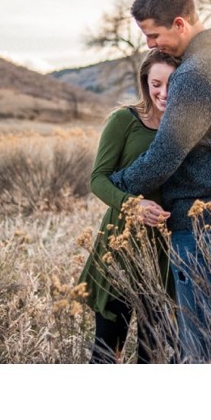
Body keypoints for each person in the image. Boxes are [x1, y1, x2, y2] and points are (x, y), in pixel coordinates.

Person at [110, 0, 211, 363]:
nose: (150, 46)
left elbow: (164, 155)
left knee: (202, 352)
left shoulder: (195, 73)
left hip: (206, 227)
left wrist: (116, 187)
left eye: (154, 35)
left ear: (179, 23)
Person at [78, 49, 180, 364]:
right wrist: (132, 205)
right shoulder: (124, 120)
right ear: (145, 83)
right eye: (156, 84)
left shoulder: (184, 128)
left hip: (165, 253)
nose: (164, 92)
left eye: (173, 83)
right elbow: (98, 179)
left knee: (154, 355)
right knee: (108, 354)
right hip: (120, 244)